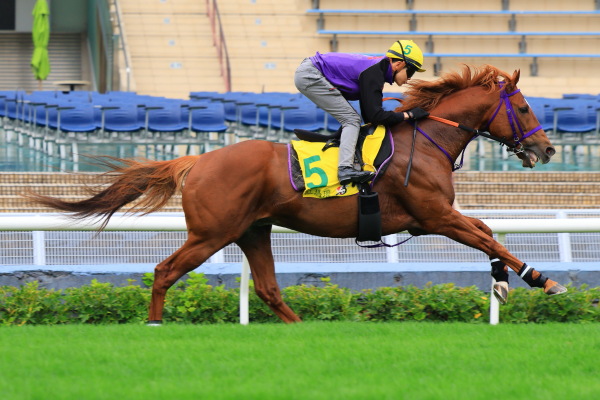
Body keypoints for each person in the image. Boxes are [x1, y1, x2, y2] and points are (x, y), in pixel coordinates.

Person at [294, 40, 430, 185]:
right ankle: (345, 169)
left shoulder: (377, 71)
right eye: (411, 71)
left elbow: (370, 118)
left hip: (310, 71)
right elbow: (376, 116)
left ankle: (343, 151)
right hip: (310, 74)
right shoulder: (375, 73)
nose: (410, 78)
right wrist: (408, 115)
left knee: (352, 119)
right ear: (399, 64)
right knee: (352, 120)